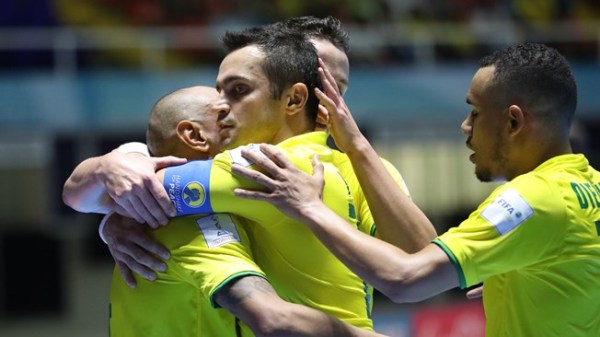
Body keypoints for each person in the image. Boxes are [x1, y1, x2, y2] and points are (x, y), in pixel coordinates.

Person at [231, 43, 600, 337]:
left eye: (475, 112)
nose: (464, 126)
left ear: (514, 120)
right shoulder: (590, 185)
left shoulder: (534, 200)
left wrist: (309, 206)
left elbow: (404, 279)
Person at [64, 27, 393, 335]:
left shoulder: (263, 171)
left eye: (338, 87)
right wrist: (113, 174)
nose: (326, 101)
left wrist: (114, 206)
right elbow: (273, 318)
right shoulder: (206, 214)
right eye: (224, 103)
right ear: (194, 135)